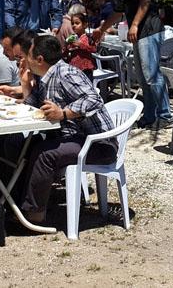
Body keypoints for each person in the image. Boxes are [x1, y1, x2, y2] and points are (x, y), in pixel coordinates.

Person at [18, 35, 117, 223]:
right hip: (75, 139)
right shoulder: (45, 77)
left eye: (28, 56)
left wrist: (63, 114)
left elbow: (94, 100)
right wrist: (24, 83)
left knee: (44, 154)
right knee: (25, 144)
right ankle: (16, 202)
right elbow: (34, 107)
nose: (25, 60)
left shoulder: (65, 74)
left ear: (39, 59)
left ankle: (35, 215)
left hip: (98, 143)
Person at [92, 0, 172, 128]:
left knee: (151, 74)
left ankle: (165, 115)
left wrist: (134, 24)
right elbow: (117, 12)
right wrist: (101, 29)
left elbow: (145, 0)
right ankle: (150, 116)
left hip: (149, 30)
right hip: (140, 34)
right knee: (143, 77)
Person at [64, 12, 97, 80]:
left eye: (77, 23)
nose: (74, 25)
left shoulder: (88, 37)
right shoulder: (72, 37)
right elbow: (67, 52)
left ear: (85, 25)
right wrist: (67, 47)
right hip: (73, 68)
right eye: (72, 23)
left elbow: (93, 49)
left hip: (85, 68)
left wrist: (80, 45)